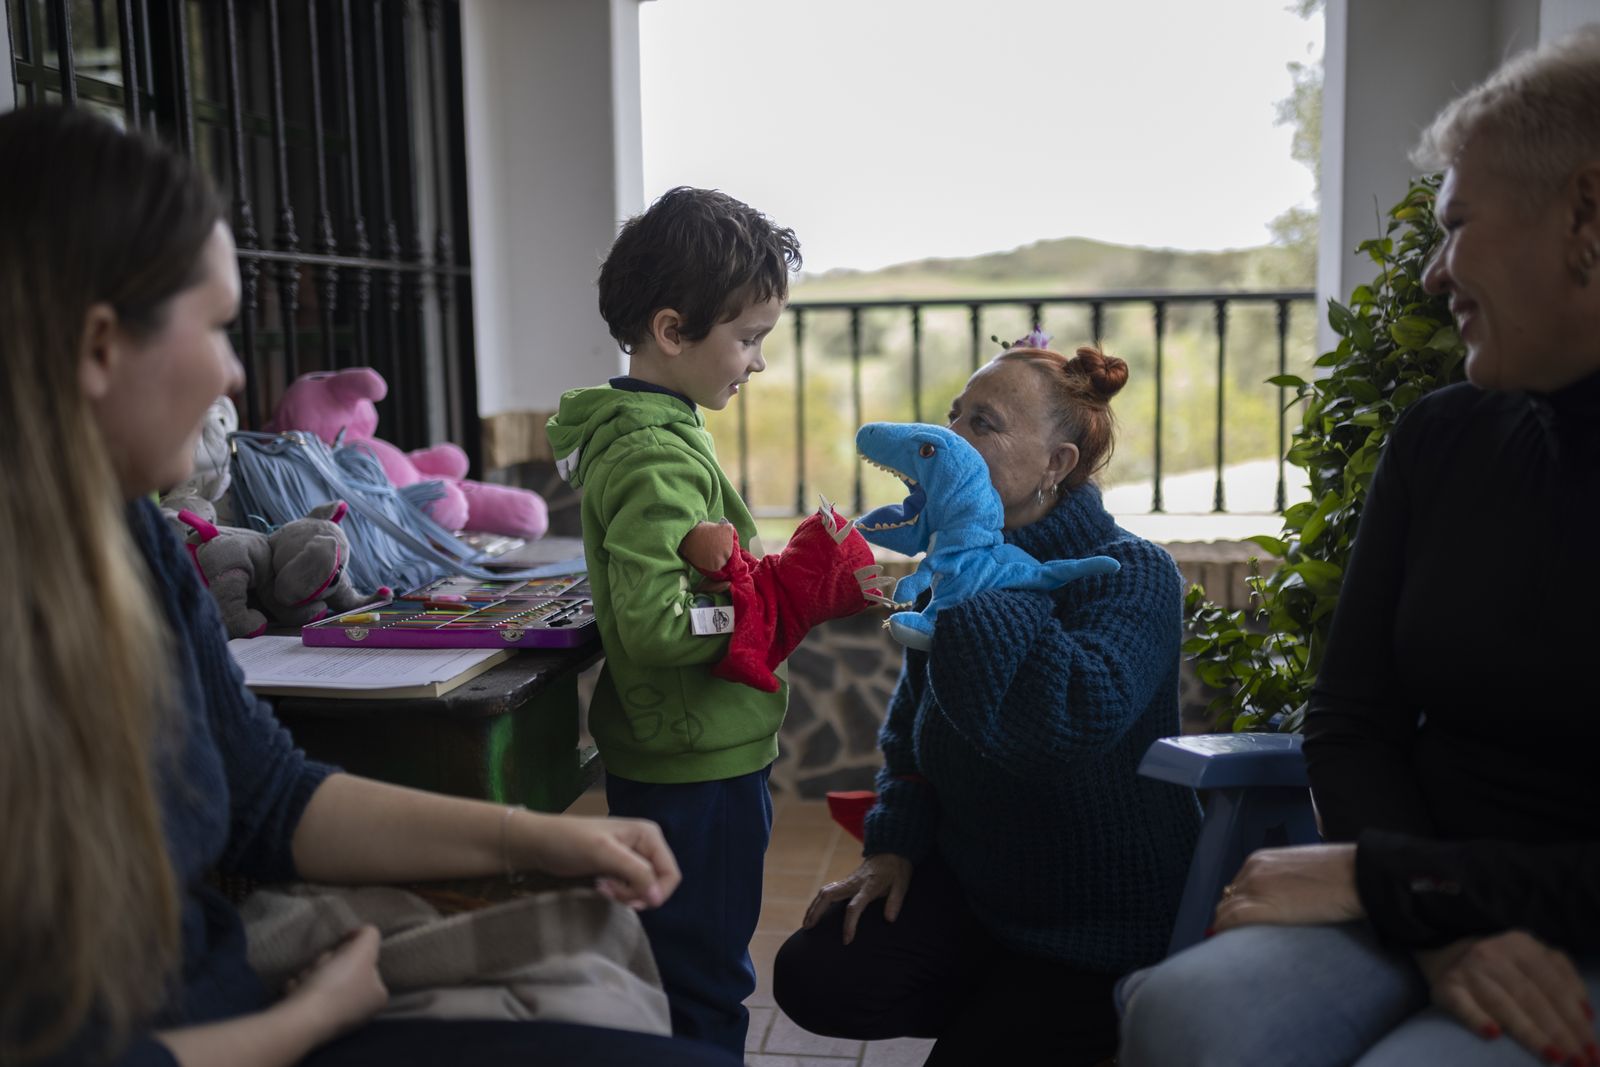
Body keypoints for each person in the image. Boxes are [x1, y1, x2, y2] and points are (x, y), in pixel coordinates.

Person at [0, 106, 740, 1067]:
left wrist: (545, 841)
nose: (233, 376)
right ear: (101, 346)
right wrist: (310, 1019)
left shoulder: (128, 535)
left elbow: (272, 799)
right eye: (221, 328)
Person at [1117, 26, 1600, 1067]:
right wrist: (1439, 921)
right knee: (1185, 1012)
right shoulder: (1442, 435)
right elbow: (1351, 717)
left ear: (1584, 213)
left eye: (1456, 225)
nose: (1431, 275)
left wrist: (1394, 882)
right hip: (1423, 906)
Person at [771, 339, 1202, 1065]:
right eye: (953, 417)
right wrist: (893, 846)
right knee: (817, 972)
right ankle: (1006, 1007)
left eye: (985, 423)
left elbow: (1062, 725)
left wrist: (992, 574)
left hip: (1097, 927)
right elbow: (912, 731)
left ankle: (1065, 1017)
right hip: (982, 896)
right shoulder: (960, 566)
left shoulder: (1132, 575)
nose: (953, 438)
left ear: (1057, 465)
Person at [543, 187, 802, 1056]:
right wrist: (772, 602)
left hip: (679, 750)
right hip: (700, 763)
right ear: (671, 329)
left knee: (675, 966)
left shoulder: (652, 423)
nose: (757, 361)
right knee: (705, 982)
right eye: (748, 337)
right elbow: (656, 622)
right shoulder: (655, 451)